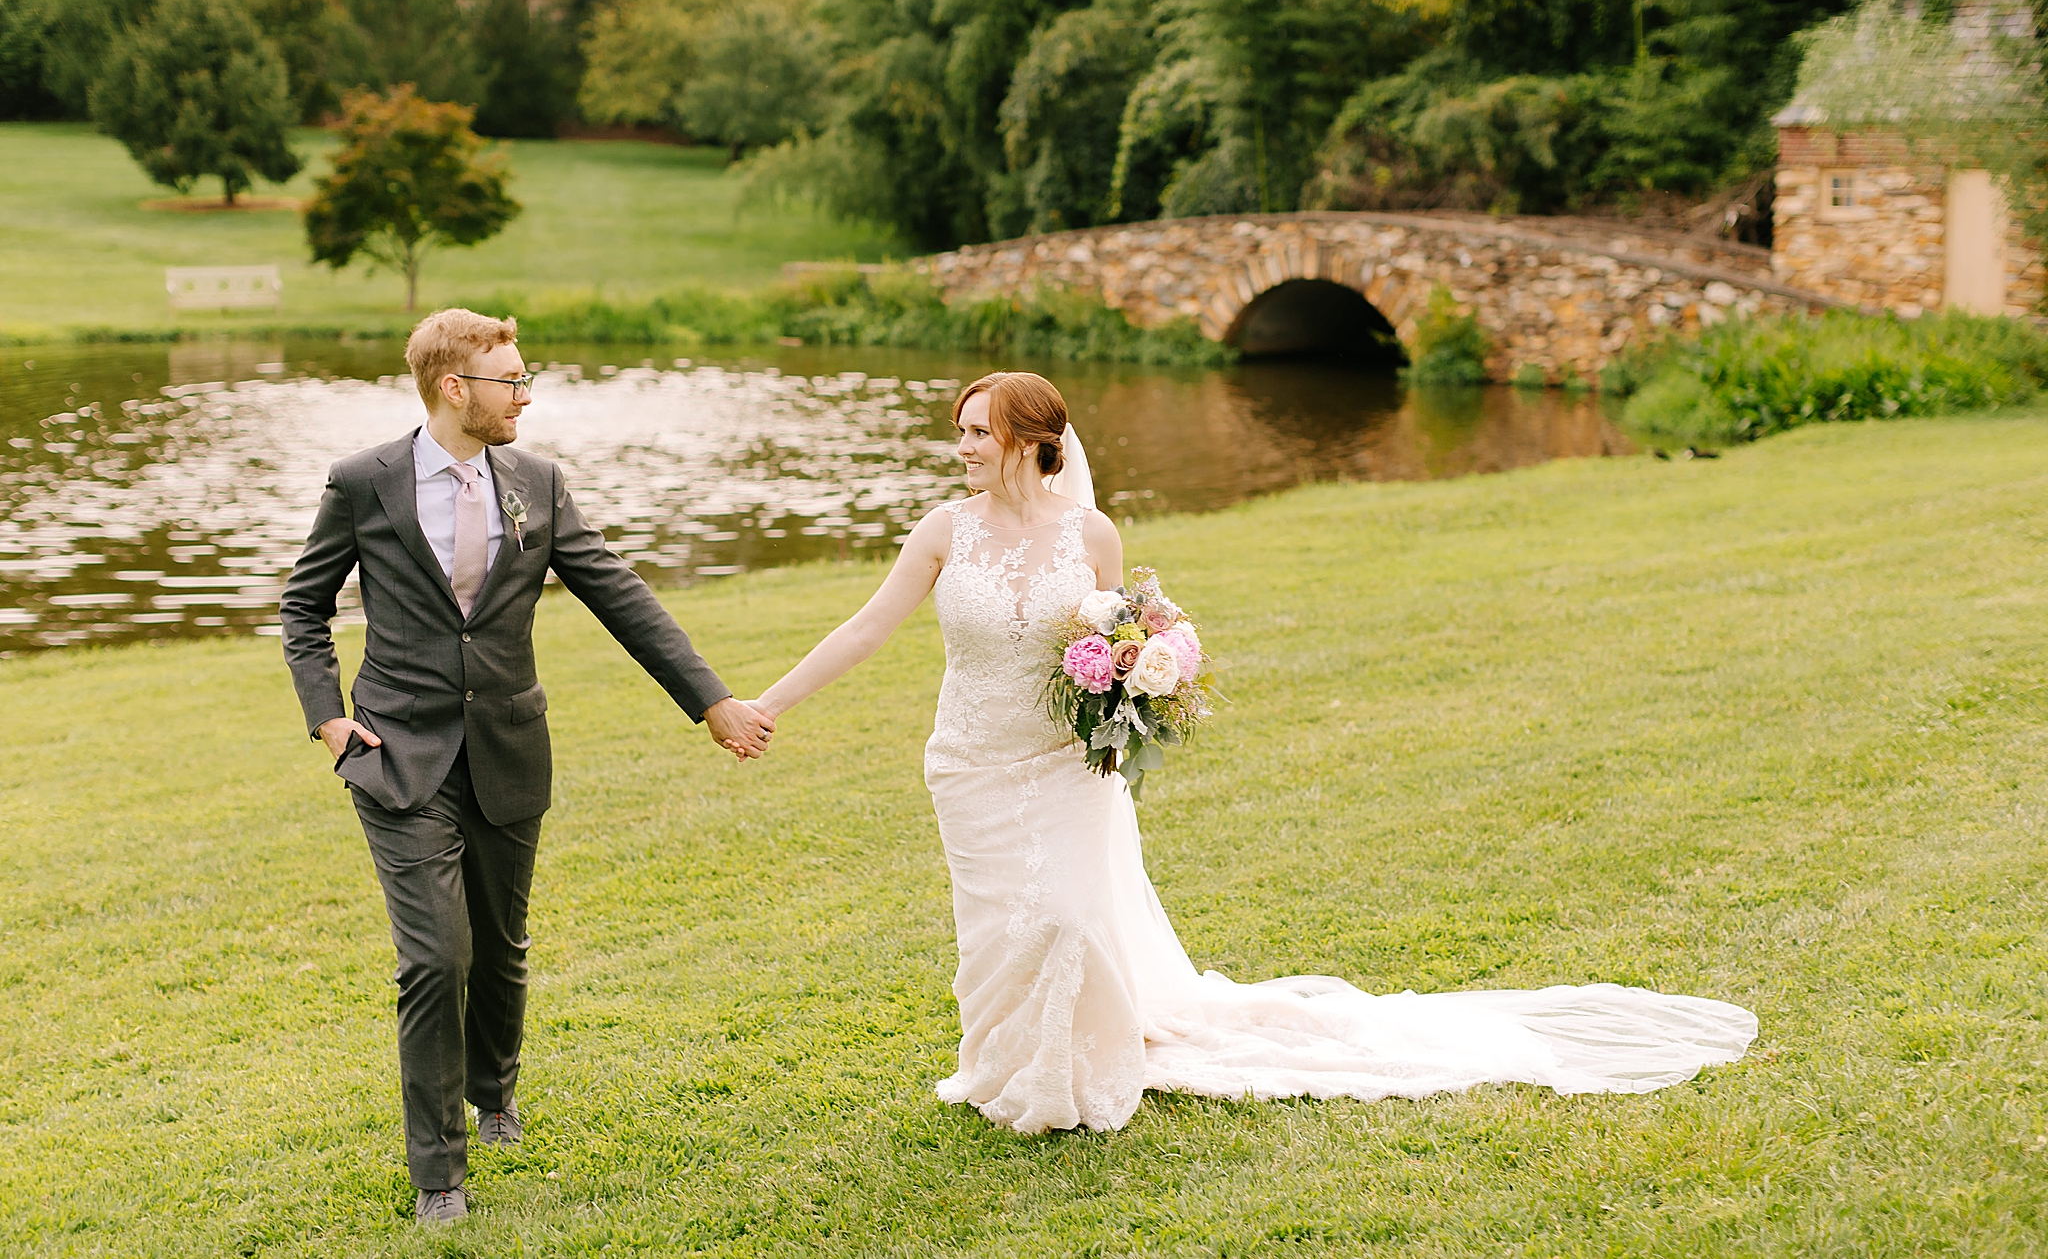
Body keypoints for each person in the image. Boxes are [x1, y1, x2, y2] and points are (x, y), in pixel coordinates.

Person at [746, 370, 1756, 1135]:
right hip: (968, 760)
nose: (958, 446)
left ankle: (1071, 1075)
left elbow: (1136, 618)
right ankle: (1001, 1066)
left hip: (1062, 762)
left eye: (974, 432)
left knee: (1063, 914)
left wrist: (1151, 663)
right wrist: (770, 702)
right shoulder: (941, 532)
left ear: (1027, 443)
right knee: (1000, 924)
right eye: (958, 431)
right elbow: (864, 631)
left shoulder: (1087, 533)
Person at [279, 308, 775, 1224]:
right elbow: (303, 606)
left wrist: (711, 700)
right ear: (453, 387)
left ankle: (493, 1089)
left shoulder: (538, 482)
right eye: (511, 379)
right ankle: (440, 1174)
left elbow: (616, 589)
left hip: (509, 744)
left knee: (499, 949)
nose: (528, 394)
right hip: (396, 752)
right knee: (436, 957)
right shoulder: (362, 483)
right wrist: (330, 722)